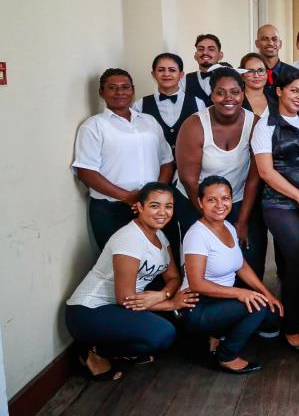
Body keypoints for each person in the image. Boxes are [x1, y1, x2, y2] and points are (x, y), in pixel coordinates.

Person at [65, 183, 197, 380]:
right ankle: (90, 350)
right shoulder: (130, 239)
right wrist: (170, 304)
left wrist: (162, 295)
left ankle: (113, 349)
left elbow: (173, 277)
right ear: (139, 207)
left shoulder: (159, 234)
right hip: (89, 311)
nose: (162, 212)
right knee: (163, 333)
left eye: (168, 206)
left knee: (178, 325)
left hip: (123, 306)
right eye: (154, 206)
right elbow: (125, 299)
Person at [252, 68, 299, 351]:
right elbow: (266, 172)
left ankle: (295, 312)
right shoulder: (266, 125)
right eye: (294, 90)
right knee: (296, 260)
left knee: (298, 260)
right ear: (279, 91)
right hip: (279, 202)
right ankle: (290, 327)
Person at [181, 176, 283, 374]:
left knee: (272, 313)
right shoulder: (197, 235)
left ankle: (218, 334)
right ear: (200, 202)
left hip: (220, 298)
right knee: (258, 307)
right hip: (198, 305)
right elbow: (196, 284)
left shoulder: (228, 226)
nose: (220, 205)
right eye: (211, 200)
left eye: (225, 198)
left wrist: (267, 292)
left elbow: (240, 265)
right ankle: (226, 356)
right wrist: (240, 293)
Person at [174, 67, 265, 278]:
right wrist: (210, 220)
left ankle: (250, 296)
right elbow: (189, 179)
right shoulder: (194, 125)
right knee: (207, 260)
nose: (228, 98)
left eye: (235, 92)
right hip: (195, 199)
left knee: (250, 253)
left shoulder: (254, 124)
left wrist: (242, 220)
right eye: (220, 92)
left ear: (243, 94)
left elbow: (254, 178)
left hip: (238, 197)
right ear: (212, 95)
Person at [73, 69, 174, 250]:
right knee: (118, 259)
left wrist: (155, 194)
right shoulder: (93, 126)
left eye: (125, 87)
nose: (119, 92)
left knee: (155, 258)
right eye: (112, 88)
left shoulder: (149, 121)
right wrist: (128, 197)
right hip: (111, 209)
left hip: (151, 207)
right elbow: (86, 172)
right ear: (101, 92)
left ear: (133, 90)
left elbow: (166, 160)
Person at [133, 53, 206, 156]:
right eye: (161, 70)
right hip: (155, 163)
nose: (166, 74)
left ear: (181, 75)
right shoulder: (139, 105)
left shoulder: (198, 103)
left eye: (172, 70)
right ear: (153, 74)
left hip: (189, 162)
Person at [184, 34, 224, 106]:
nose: (205, 52)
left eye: (211, 49)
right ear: (195, 56)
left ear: (220, 55)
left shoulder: (231, 78)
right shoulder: (184, 80)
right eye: (200, 49)